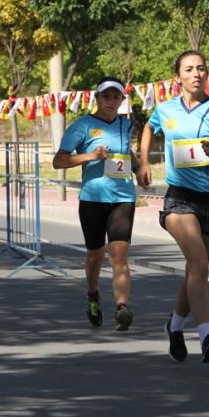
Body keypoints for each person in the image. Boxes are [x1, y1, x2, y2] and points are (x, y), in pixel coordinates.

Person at [137, 50, 209, 363]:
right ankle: (206, 336)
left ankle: (175, 326)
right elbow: (149, 127)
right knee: (199, 263)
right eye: (189, 69)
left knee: (195, 269)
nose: (196, 74)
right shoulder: (165, 109)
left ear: (207, 74)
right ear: (178, 78)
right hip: (180, 197)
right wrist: (144, 161)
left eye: (201, 68)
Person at [53, 77, 138, 331]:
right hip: (93, 199)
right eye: (106, 97)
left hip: (123, 197)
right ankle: (93, 295)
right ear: (97, 98)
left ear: (122, 100)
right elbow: (59, 161)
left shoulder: (126, 124)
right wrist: (90, 156)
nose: (111, 102)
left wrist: (141, 166)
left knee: (119, 256)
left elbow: (126, 153)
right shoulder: (82, 126)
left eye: (116, 97)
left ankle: (122, 307)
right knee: (95, 255)